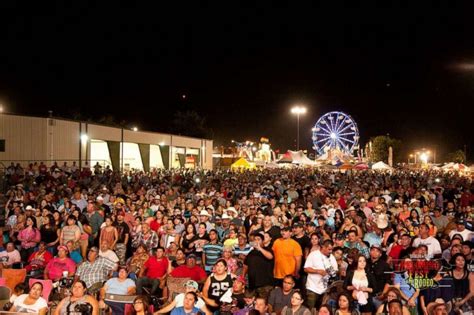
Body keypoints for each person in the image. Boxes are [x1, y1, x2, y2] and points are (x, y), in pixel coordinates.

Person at [304, 239, 338, 310]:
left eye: (331, 249)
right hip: (312, 287)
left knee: (322, 310)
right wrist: (318, 271)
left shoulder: (332, 257)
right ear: (323, 247)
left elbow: (336, 271)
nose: (330, 251)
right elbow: (306, 268)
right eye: (329, 249)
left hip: (326, 289)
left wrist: (331, 271)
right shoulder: (313, 254)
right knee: (310, 309)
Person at [243, 232, 274, 297]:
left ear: (263, 241)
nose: (256, 241)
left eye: (258, 239)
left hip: (265, 284)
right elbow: (246, 265)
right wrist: (243, 276)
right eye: (255, 239)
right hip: (252, 284)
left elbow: (270, 257)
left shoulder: (268, 250)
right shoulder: (251, 253)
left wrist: (259, 248)